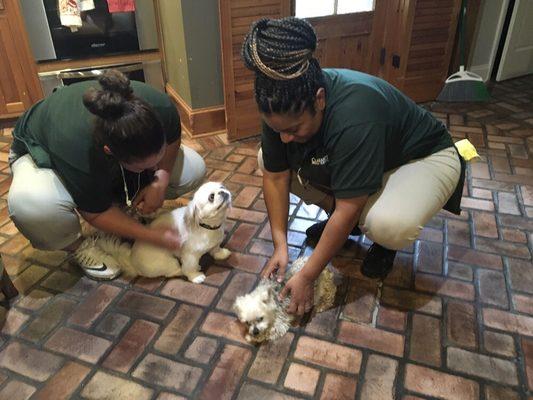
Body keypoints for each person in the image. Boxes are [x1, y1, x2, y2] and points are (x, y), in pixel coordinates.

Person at [242, 17, 464, 316]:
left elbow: (350, 206)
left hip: (421, 158)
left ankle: (380, 241)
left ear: (319, 99)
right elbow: (276, 177)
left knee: (387, 224)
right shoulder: (280, 105)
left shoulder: (355, 114)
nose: (285, 137)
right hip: (373, 156)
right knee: (264, 159)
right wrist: (280, 244)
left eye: (293, 129)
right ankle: (343, 227)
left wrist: (308, 275)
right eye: (278, 129)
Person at [7, 70, 206, 280]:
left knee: (193, 168)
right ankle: (78, 247)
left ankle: (123, 205)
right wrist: (151, 236)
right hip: (41, 150)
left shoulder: (161, 107)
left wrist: (160, 180)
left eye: (159, 155)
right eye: (144, 167)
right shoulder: (77, 148)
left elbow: (173, 139)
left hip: (102, 152)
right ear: (110, 152)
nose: (154, 167)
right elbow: (94, 213)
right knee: (33, 206)